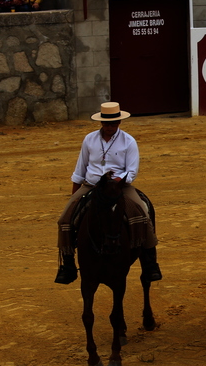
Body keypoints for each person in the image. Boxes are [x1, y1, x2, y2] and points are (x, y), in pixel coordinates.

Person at [54, 101, 162, 285]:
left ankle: (150, 262)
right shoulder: (89, 139)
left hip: (120, 187)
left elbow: (132, 171)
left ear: (119, 123)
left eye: (113, 123)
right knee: (64, 219)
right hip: (91, 185)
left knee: (143, 214)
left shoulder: (129, 141)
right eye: (106, 123)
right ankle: (68, 264)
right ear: (101, 123)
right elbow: (80, 168)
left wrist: (114, 183)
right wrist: (75, 195)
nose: (110, 127)